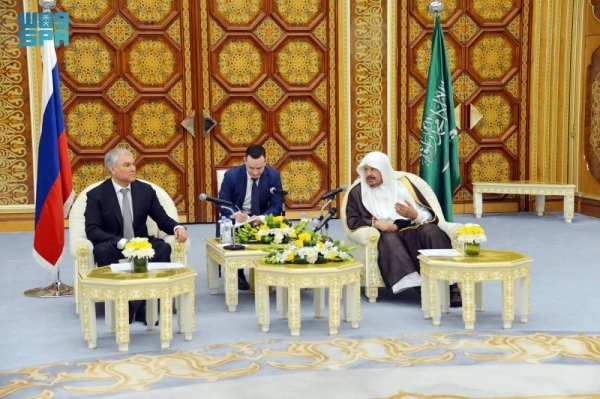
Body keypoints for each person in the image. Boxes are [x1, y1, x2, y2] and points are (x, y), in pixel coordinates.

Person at [345, 151, 462, 307]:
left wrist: (415, 215)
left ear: (384, 169)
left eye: (373, 169)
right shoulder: (358, 192)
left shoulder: (404, 185)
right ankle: (422, 289)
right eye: (365, 170)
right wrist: (376, 223)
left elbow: (430, 215)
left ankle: (451, 287)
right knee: (390, 239)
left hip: (413, 227)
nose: (368, 174)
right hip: (388, 232)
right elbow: (352, 219)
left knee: (432, 231)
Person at [85, 148, 188, 323]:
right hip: (114, 243)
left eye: (133, 164)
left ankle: (149, 305)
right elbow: (92, 229)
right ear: (112, 169)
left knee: (163, 247)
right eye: (127, 165)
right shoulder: (97, 195)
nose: (133, 168)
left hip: (141, 243)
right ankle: (120, 305)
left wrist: (178, 226)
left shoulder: (145, 190)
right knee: (102, 251)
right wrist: (121, 242)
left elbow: (162, 219)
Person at [218, 144, 283, 289]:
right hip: (238, 219)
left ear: (265, 162)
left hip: (261, 218)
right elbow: (222, 202)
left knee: (280, 232)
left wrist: (261, 217)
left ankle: (271, 269)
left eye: (259, 168)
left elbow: (276, 205)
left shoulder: (273, 176)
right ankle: (239, 272)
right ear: (244, 161)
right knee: (234, 230)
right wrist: (235, 214)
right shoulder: (232, 176)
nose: (255, 172)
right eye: (251, 168)